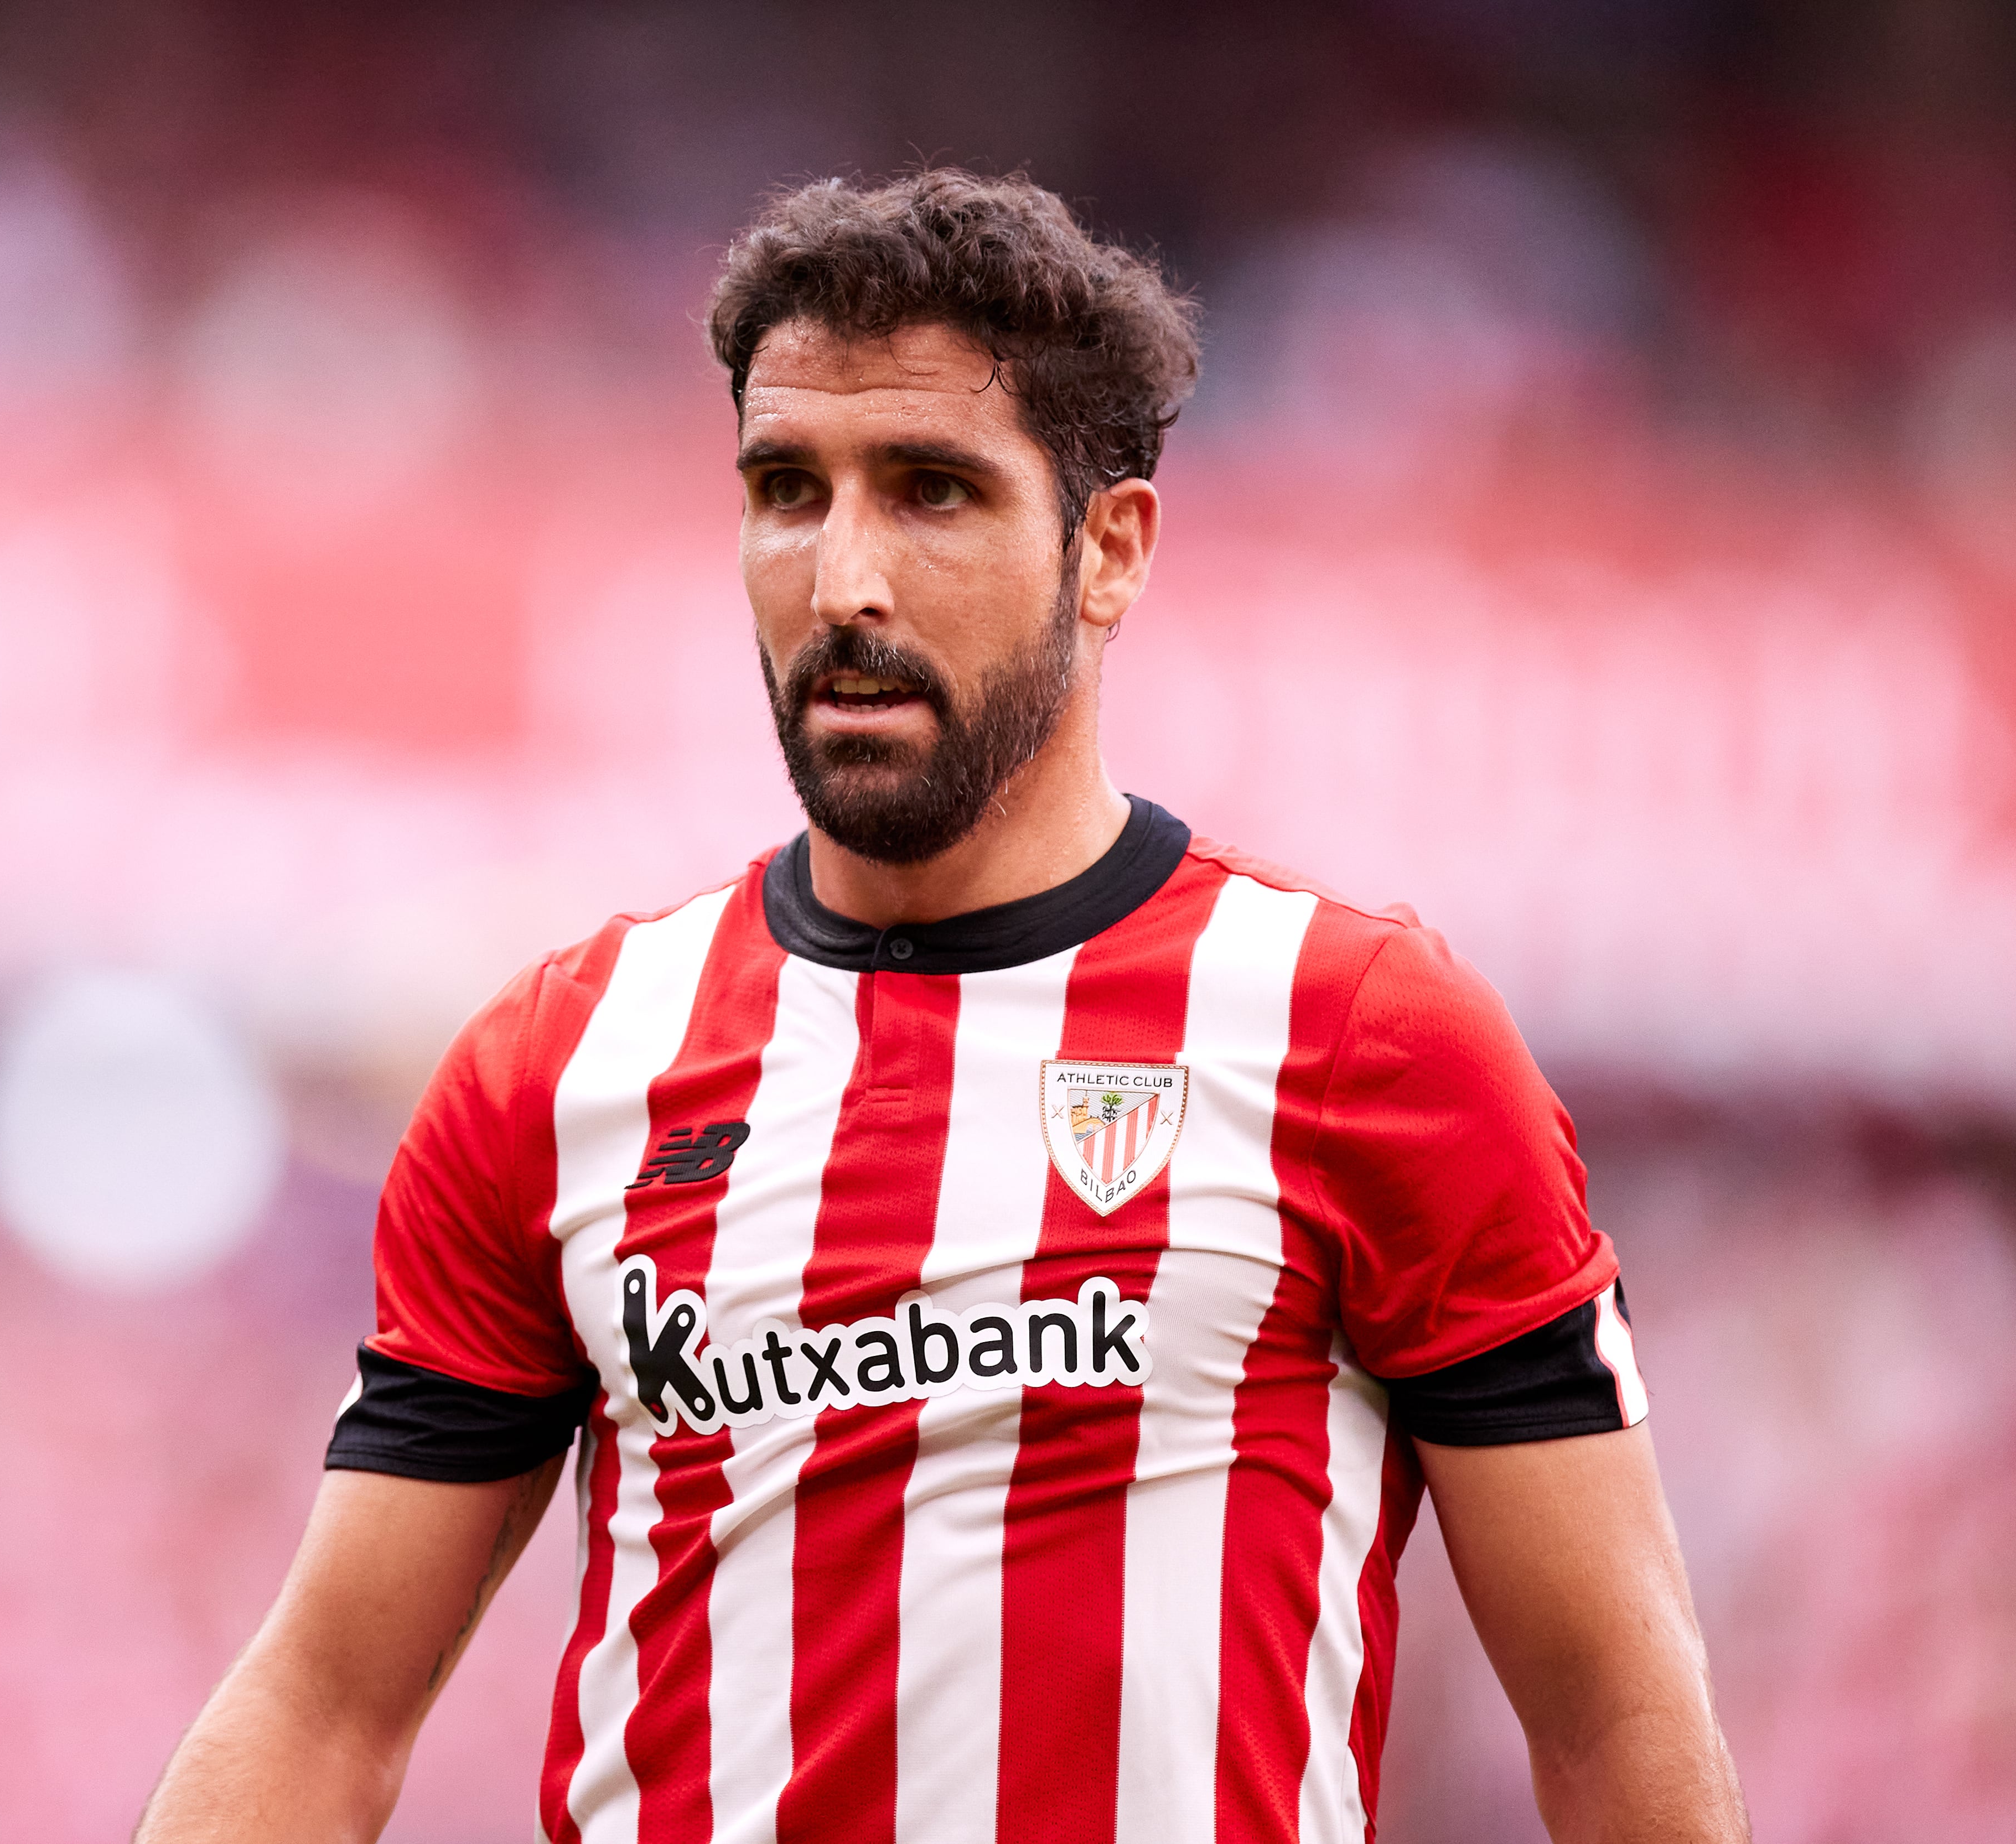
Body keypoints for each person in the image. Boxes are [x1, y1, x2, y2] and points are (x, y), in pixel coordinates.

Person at [139, 170, 1749, 1844]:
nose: (843, 580)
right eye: (787, 489)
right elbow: (323, 1707)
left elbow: (1617, 1715)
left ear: (1110, 548)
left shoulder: (1361, 1036)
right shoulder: (560, 1070)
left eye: (931, 493)